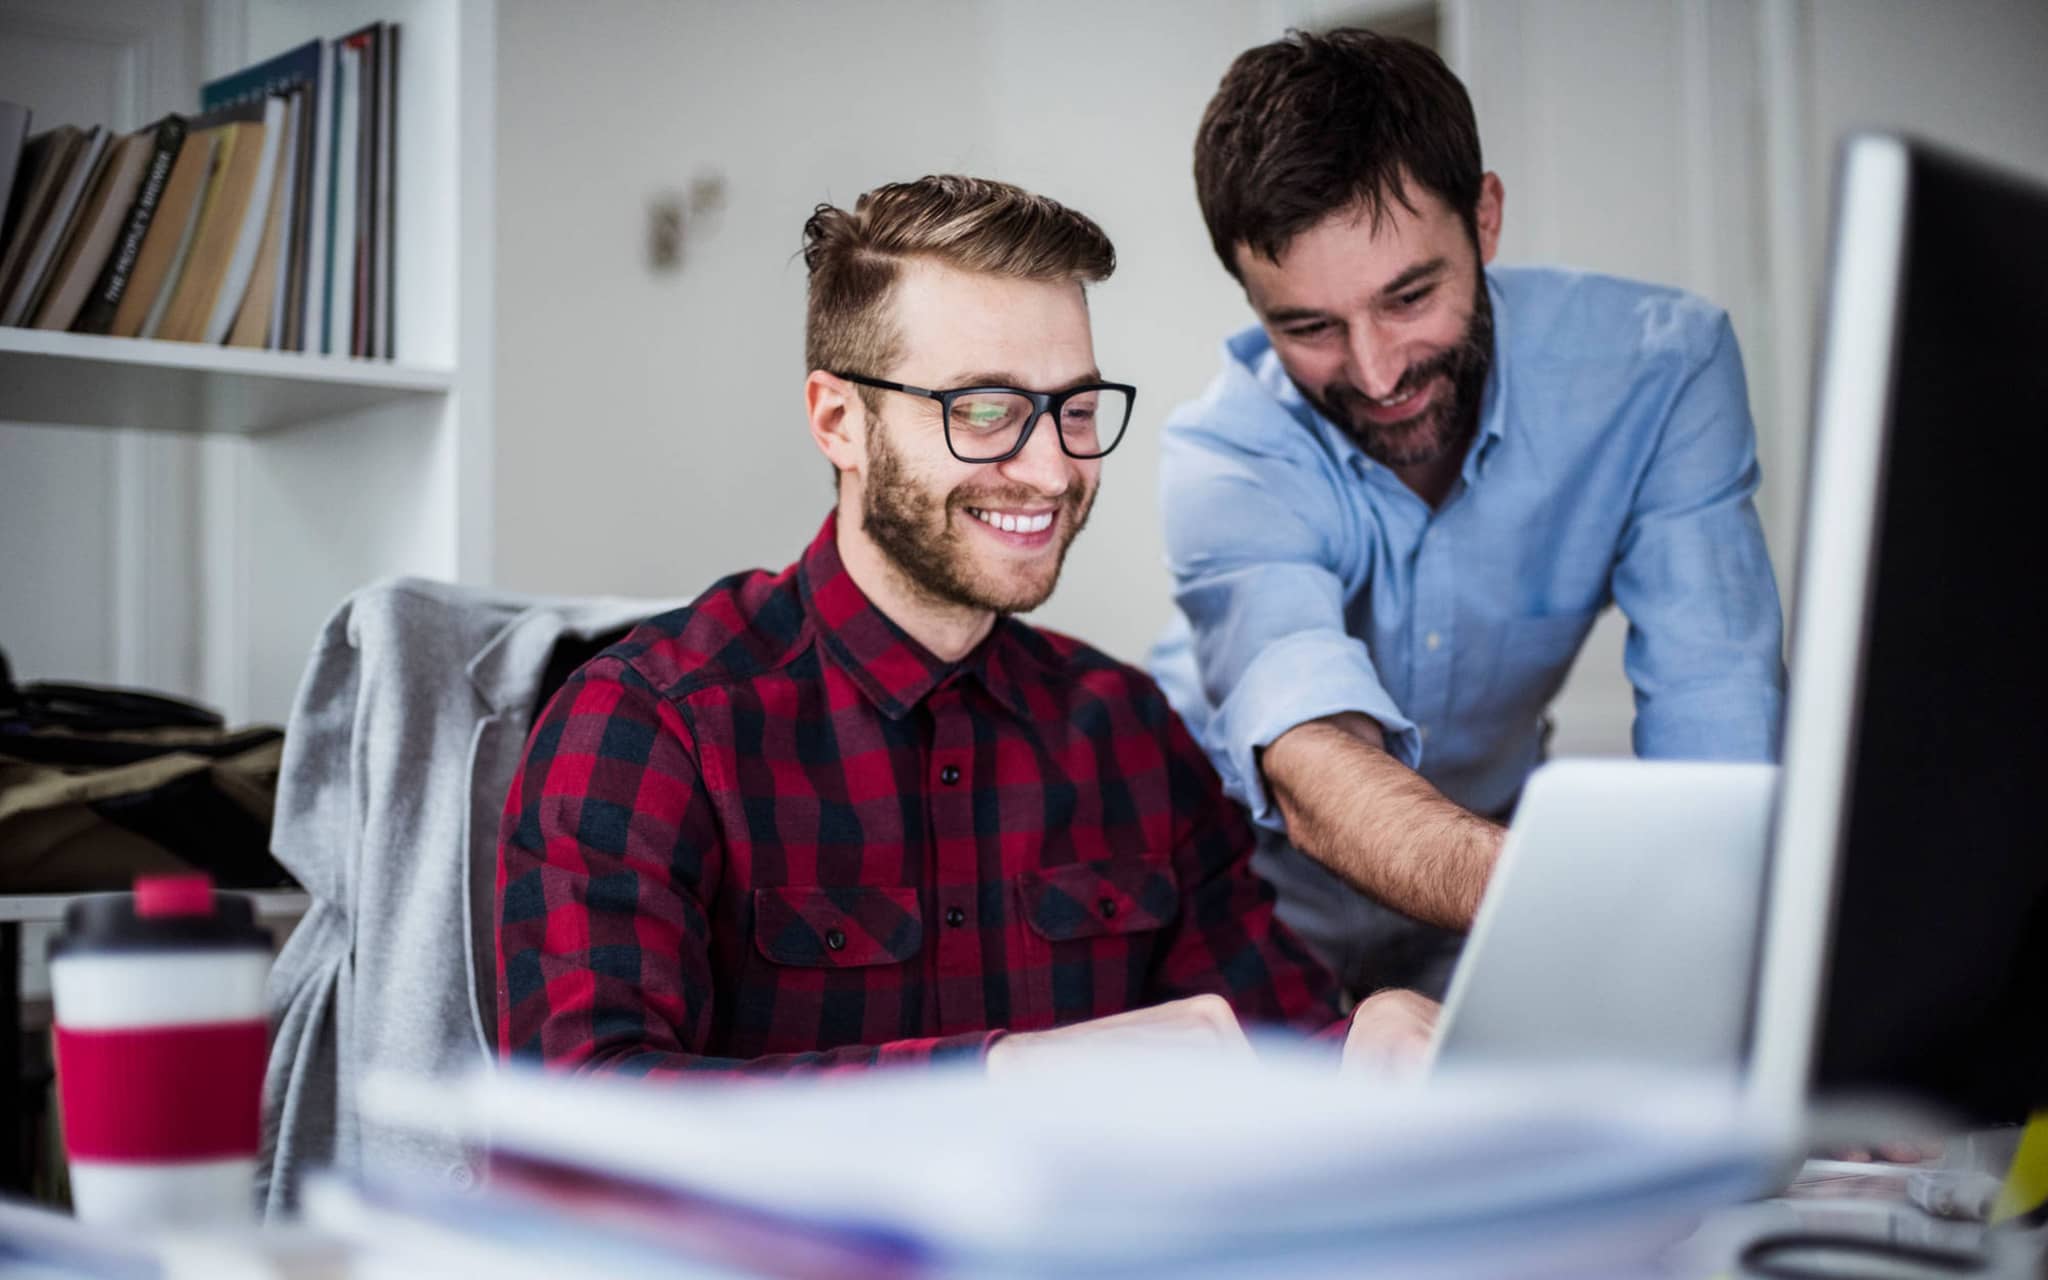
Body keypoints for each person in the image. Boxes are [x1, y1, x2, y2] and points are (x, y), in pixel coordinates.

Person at [496, 175, 1436, 1077]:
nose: (1052, 470)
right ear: (839, 421)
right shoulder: (651, 726)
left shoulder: (1129, 733)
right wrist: (997, 1077)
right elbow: (579, 1124)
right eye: (983, 410)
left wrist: (1363, 1042)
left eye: (1074, 408)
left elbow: (1270, 1056)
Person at [1150, 30, 1787, 998]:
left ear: (1484, 219)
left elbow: (1716, 728)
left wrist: (1750, 977)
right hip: (1239, 894)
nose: (1374, 372)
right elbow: (1316, 759)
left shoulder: (1659, 374)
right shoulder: (1225, 450)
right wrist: (1584, 896)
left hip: (1480, 885)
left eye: (1409, 295)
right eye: (1308, 326)